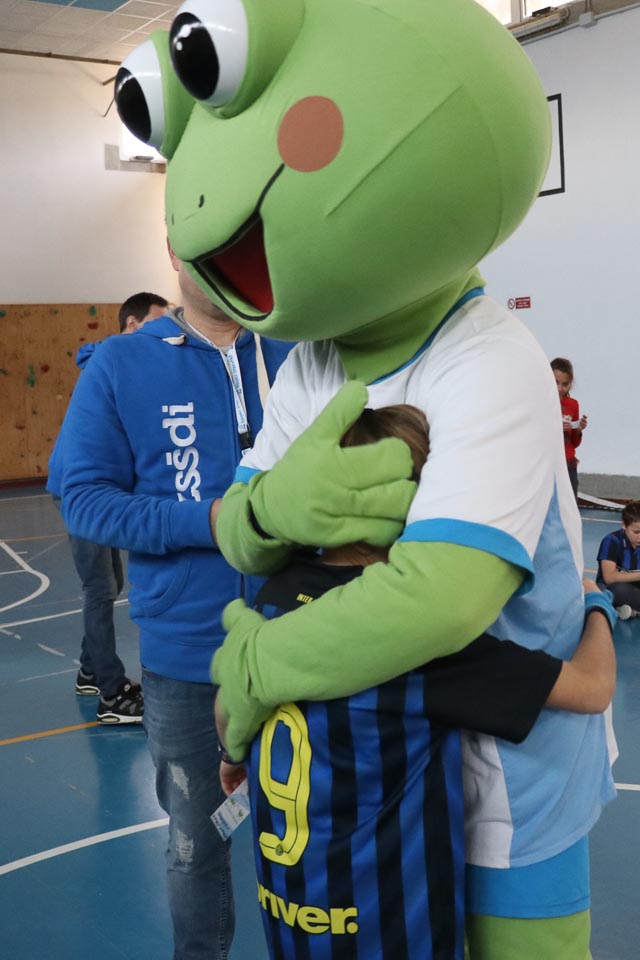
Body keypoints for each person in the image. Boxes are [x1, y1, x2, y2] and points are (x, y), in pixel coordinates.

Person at [114, 3, 616, 957]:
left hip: (512, 781)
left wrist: (255, 666)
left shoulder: (489, 357)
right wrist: (269, 509)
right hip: (384, 775)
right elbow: (242, 526)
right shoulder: (310, 361)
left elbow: (435, 600)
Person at [217, 405, 617, 960]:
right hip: (389, 927)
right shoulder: (413, 637)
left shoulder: (274, 592)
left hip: (291, 914)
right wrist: (597, 605)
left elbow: (230, 707)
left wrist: (232, 753)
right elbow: (592, 688)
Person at [57, 249, 293, 960]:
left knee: (317, 834)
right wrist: (208, 520)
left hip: (311, 643)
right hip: (190, 659)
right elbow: (84, 499)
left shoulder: (300, 353)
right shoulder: (120, 364)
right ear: (175, 247)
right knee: (196, 847)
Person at [47, 291, 168, 723]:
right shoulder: (111, 364)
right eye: (157, 323)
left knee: (109, 583)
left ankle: (89, 671)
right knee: (99, 588)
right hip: (81, 489)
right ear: (132, 325)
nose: (164, 332)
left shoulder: (126, 362)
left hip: (105, 489)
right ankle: (112, 695)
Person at [551, 357, 588, 500]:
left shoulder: (573, 404)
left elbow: (574, 443)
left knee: (569, 501)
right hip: (548, 462)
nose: (560, 388)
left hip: (568, 462)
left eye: (565, 384)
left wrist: (578, 429)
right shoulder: (541, 402)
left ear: (570, 384)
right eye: (555, 382)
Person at [596, 500, 640, 620]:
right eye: (636, 532)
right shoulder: (612, 541)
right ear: (624, 525)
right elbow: (609, 577)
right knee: (616, 590)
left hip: (634, 587)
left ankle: (626, 609)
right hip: (612, 587)